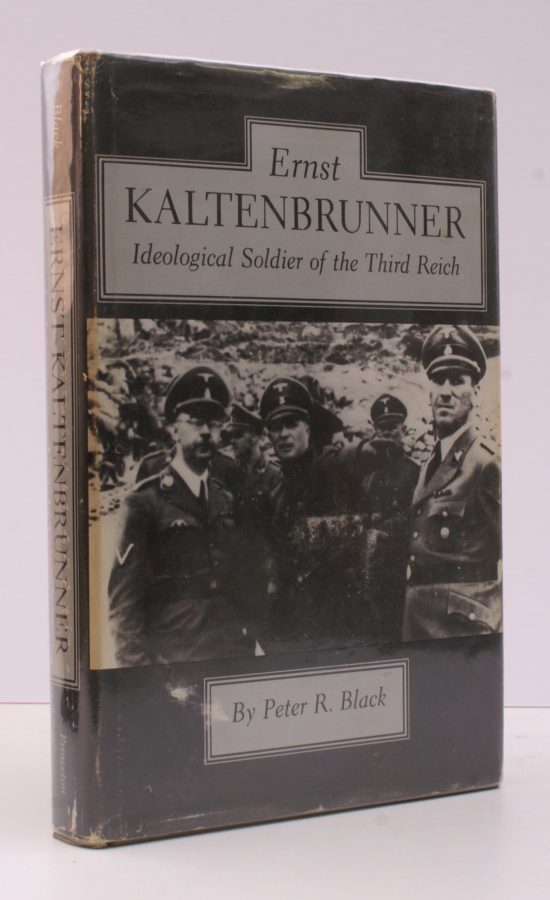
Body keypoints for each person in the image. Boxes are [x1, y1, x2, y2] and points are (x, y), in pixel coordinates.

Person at [108, 366, 255, 666]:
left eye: (213, 424)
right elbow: (124, 606)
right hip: (175, 662)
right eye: (196, 422)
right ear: (174, 429)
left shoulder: (224, 498)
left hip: (230, 655)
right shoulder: (144, 503)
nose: (206, 432)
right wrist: (140, 677)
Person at [259, 377, 395, 649]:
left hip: (340, 621)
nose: (284, 434)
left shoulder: (325, 466)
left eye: (292, 424)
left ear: (307, 429)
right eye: (276, 427)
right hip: (297, 624)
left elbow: (344, 459)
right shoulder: (277, 493)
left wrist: (365, 451)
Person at [402, 325, 502, 641]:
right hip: (418, 625)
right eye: (438, 380)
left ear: (475, 393)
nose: (446, 391)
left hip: (462, 635)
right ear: (429, 392)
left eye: (457, 381)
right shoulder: (429, 465)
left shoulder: (485, 465)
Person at [360, 394, 419, 640]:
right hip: (371, 572)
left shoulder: (415, 472)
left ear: (403, 429)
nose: (386, 433)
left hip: (401, 571)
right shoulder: (366, 474)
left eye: (392, 427)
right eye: (381, 427)